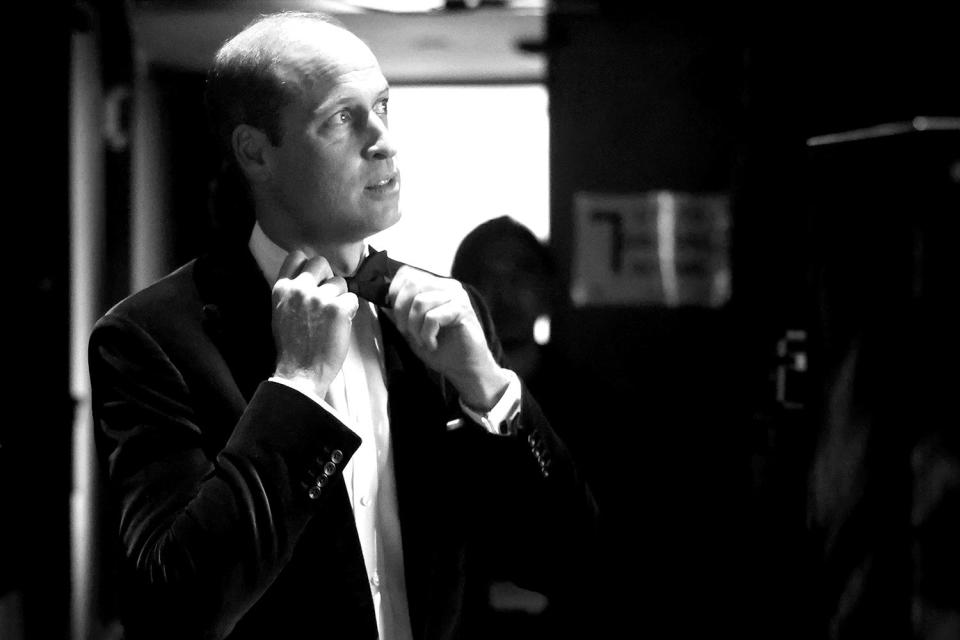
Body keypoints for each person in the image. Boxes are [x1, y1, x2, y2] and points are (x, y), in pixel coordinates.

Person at [88, 11, 598, 640]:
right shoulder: (148, 339)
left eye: (383, 106)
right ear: (255, 151)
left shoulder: (449, 311)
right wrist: (297, 387)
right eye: (341, 118)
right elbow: (176, 608)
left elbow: (572, 561)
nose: (383, 138)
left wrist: (489, 390)